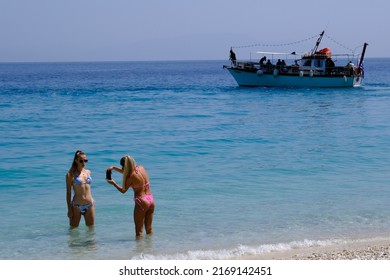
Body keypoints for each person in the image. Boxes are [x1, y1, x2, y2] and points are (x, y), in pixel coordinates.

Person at [106, 155, 155, 239]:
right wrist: (114, 168)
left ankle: (139, 251)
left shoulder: (130, 177)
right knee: (149, 229)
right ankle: (150, 249)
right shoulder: (141, 168)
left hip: (141, 201)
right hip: (150, 199)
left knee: (139, 232)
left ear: (125, 166)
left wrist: (114, 183)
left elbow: (123, 190)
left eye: (122, 166)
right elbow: (127, 171)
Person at [66, 150, 95, 227]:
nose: (83, 163)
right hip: (76, 206)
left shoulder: (88, 172)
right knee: (73, 231)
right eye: (81, 161)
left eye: (85, 161)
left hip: (89, 205)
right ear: (76, 161)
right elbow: (68, 193)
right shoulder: (70, 175)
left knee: (91, 230)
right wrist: (69, 209)